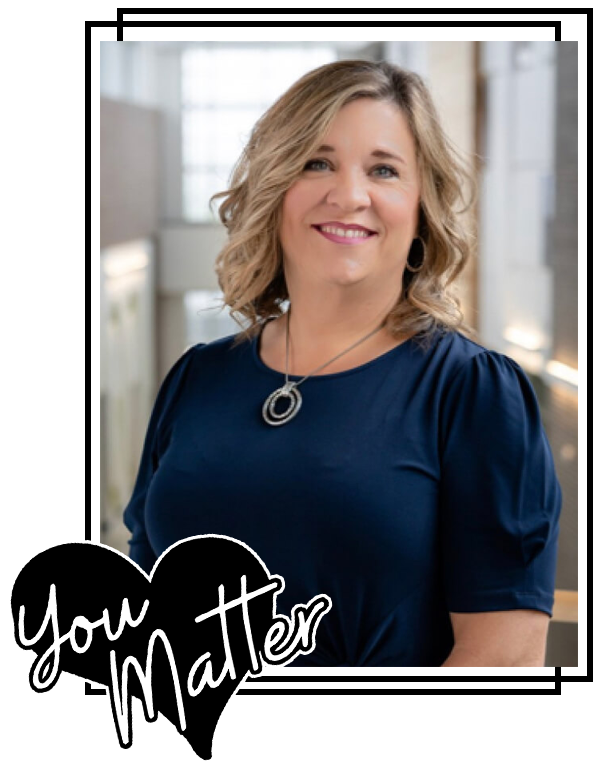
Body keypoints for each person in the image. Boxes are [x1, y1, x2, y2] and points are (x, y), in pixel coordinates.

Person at [123, 60, 561, 667]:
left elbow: (498, 666)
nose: (350, 196)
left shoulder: (472, 393)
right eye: (317, 162)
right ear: (275, 191)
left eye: (383, 170)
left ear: (419, 209)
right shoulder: (197, 378)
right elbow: (143, 609)